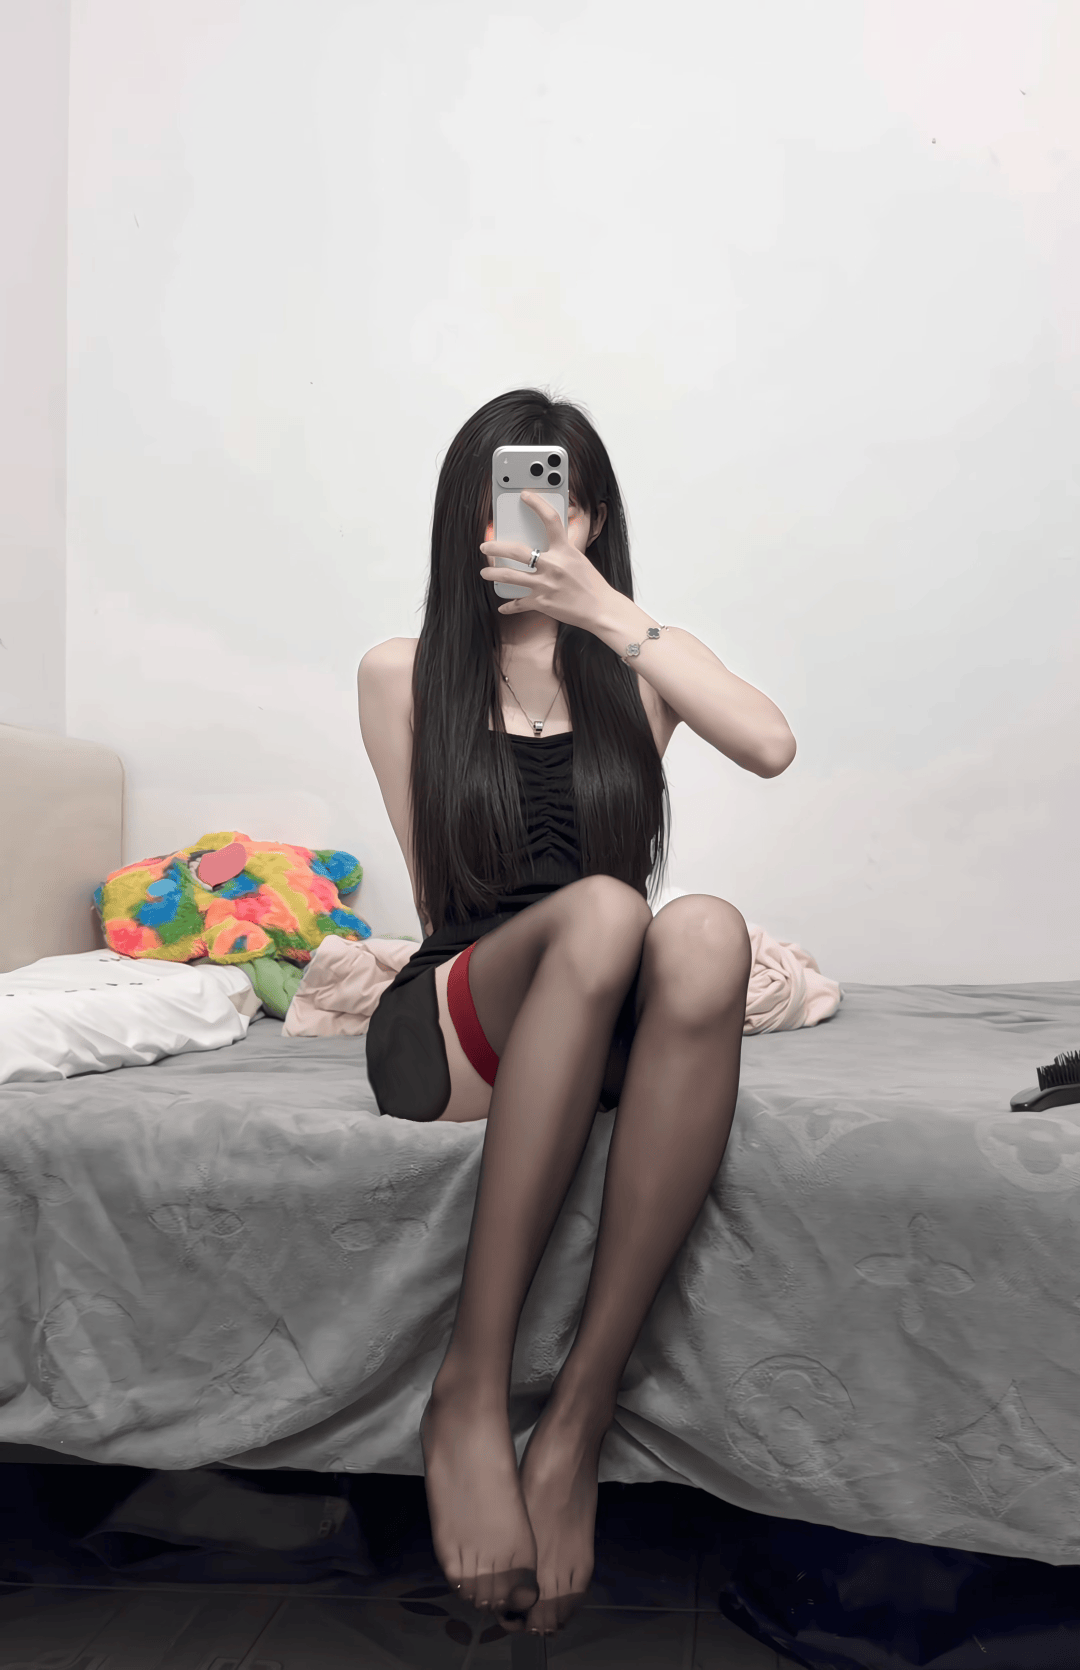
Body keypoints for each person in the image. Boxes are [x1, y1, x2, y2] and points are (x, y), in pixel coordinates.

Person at [357, 388, 796, 1636]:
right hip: (461, 1017)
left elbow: (771, 744)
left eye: (554, 499)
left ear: (592, 517)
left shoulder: (638, 662)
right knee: (605, 909)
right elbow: (439, 895)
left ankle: (576, 1421)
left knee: (703, 927)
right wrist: (558, 937)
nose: (524, 522)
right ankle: (469, 1386)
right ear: (461, 520)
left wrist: (602, 610)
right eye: (498, 498)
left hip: (593, 1023)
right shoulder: (402, 672)